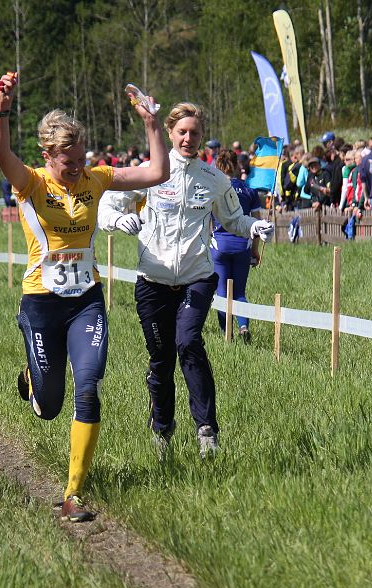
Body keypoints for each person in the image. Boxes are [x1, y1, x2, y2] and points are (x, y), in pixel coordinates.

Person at [0, 71, 168, 522]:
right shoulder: (32, 183)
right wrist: (3, 110)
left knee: (88, 388)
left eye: (80, 159)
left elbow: (156, 172)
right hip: (41, 303)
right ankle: (33, 379)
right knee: (49, 406)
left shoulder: (96, 179)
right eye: (66, 161)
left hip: (86, 300)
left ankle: (73, 493)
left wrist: (151, 123)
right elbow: (1, 155)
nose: (75, 168)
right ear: (47, 156)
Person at [98, 102, 274, 463]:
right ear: (170, 133)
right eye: (182, 132)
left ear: (202, 135)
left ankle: (207, 431)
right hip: (153, 280)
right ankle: (162, 429)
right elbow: (106, 205)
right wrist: (117, 221)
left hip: (197, 277)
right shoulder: (149, 172)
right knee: (161, 359)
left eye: (194, 132)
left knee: (189, 342)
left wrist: (254, 227)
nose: (188, 138)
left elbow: (234, 219)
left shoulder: (214, 178)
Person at [209, 149, 263, 342]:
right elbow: (257, 224)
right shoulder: (249, 190)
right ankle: (243, 327)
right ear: (237, 165)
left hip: (219, 245)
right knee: (239, 292)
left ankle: (227, 334)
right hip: (242, 245)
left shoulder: (213, 188)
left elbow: (206, 220)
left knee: (222, 292)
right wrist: (255, 250)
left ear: (217, 165)